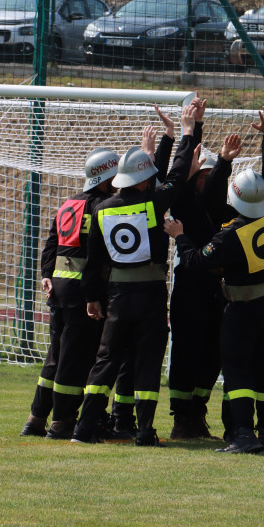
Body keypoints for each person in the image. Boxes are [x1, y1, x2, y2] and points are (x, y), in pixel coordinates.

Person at [70, 101, 200, 447]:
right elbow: (179, 174)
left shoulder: (100, 209)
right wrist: (186, 133)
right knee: (147, 360)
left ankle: (84, 428)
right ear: (144, 182)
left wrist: (93, 298)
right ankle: (144, 431)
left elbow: (93, 260)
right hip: (151, 295)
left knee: (106, 360)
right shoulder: (154, 203)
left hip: (115, 297)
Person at [165, 167, 264, 453]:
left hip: (242, 309)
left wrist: (180, 236)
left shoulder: (230, 236)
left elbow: (196, 260)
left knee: (237, 369)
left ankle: (243, 432)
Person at [20, 148, 118, 439]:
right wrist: (94, 295)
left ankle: (35, 420)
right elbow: (96, 258)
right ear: (104, 178)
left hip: (59, 291)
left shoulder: (69, 204)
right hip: (82, 293)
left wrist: (45, 275)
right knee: (73, 361)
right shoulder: (103, 206)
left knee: (55, 357)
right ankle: (61, 423)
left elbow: (52, 242)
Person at [147, 103, 226, 440]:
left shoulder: (213, 203)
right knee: (187, 352)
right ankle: (182, 418)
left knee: (212, 353)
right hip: (190, 289)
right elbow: (181, 173)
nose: (207, 180)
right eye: (202, 175)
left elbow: (217, 184)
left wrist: (221, 160)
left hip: (215, 290)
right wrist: (190, 127)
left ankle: (198, 412)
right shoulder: (181, 202)